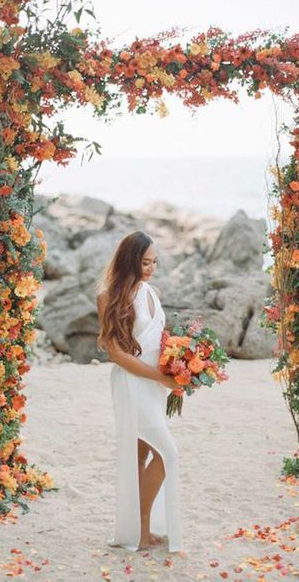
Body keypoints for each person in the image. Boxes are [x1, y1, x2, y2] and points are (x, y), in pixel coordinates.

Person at [96, 230, 183, 553]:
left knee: (143, 455)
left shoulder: (152, 292)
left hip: (155, 384)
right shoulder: (108, 296)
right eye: (145, 262)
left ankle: (141, 530)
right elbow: (117, 354)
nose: (150, 268)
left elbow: (161, 342)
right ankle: (141, 526)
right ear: (130, 260)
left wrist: (179, 375)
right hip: (132, 384)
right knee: (167, 453)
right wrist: (162, 378)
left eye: (155, 262)